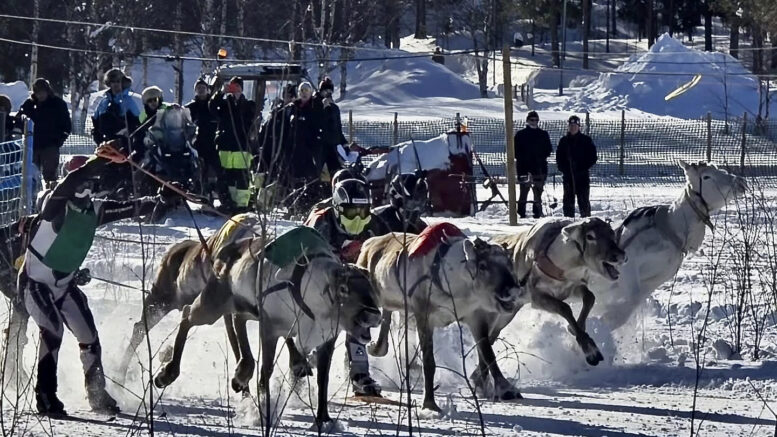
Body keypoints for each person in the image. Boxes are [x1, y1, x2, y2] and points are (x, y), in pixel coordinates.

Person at [21, 144, 172, 416]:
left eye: (92, 183)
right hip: (35, 283)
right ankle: (45, 396)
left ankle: (97, 395)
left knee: (89, 337)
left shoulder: (95, 209)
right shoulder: (54, 203)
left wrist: (161, 201)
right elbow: (68, 186)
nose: (86, 188)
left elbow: (134, 209)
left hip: (64, 285)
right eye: (83, 180)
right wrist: (97, 162)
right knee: (53, 330)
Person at [305, 178, 386, 396]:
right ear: (338, 209)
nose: (359, 218)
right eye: (351, 212)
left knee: (362, 315)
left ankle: (359, 374)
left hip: (354, 280)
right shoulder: (320, 222)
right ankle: (305, 357)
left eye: (363, 211)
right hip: (319, 280)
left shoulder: (374, 224)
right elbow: (307, 261)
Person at [209, 76, 256, 212]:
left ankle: (242, 205)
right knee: (226, 176)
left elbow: (248, 119)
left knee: (242, 177)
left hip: (241, 146)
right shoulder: (224, 105)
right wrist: (221, 93)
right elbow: (212, 108)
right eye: (232, 87)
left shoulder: (248, 104)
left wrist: (238, 100)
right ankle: (230, 202)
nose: (235, 90)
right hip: (226, 146)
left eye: (237, 87)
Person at [16, 78, 72, 188]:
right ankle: (31, 200)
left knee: (50, 177)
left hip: (50, 146)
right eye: (37, 92)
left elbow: (66, 125)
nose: (40, 95)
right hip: (32, 146)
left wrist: (59, 140)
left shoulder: (57, 104)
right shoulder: (29, 104)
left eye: (42, 91)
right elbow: (19, 118)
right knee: (30, 176)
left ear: (47, 91)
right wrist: (20, 128)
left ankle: (50, 199)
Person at [556, 115, 597, 218]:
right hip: (568, 177)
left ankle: (587, 224)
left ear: (579, 127)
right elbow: (559, 158)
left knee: (584, 203)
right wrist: (565, 169)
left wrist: (582, 167)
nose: (573, 127)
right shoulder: (564, 141)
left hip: (582, 177)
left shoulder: (586, 140)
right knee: (568, 203)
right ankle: (569, 223)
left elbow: (592, 157)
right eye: (571, 125)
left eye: (575, 125)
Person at [513, 110, 552, 219]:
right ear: (527, 121)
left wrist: (539, 157)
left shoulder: (543, 134)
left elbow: (548, 150)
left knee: (538, 193)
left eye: (535, 120)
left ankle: (537, 213)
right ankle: (520, 213)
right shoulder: (520, 135)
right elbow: (515, 151)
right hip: (524, 168)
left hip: (539, 168)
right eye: (531, 120)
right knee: (523, 193)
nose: (534, 122)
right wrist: (525, 159)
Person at [92, 69, 140, 149]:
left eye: (118, 81)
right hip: (104, 146)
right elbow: (95, 124)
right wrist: (99, 140)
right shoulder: (104, 102)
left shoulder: (129, 102)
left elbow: (137, 124)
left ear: (123, 82)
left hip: (124, 148)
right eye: (112, 81)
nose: (115, 84)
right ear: (109, 83)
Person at [186, 80, 218, 195]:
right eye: (198, 88)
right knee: (201, 167)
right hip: (200, 141)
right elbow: (184, 113)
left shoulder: (214, 103)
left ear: (207, 89)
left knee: (216, 166)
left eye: (203, 88)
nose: (201, 90)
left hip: (215, 141)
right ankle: (202, 191)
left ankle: (218, 190)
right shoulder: (193, 106)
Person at [311, 77, 344, 179]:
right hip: (319, 145)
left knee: (336, 171)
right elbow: (318, 123)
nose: (328, 93)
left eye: (330, 91)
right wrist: (324, 109)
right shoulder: (314, 104)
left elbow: (337, 127)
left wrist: (343, 143)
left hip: (332, 145)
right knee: (318, 172)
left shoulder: (334, 108)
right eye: (325, 91)